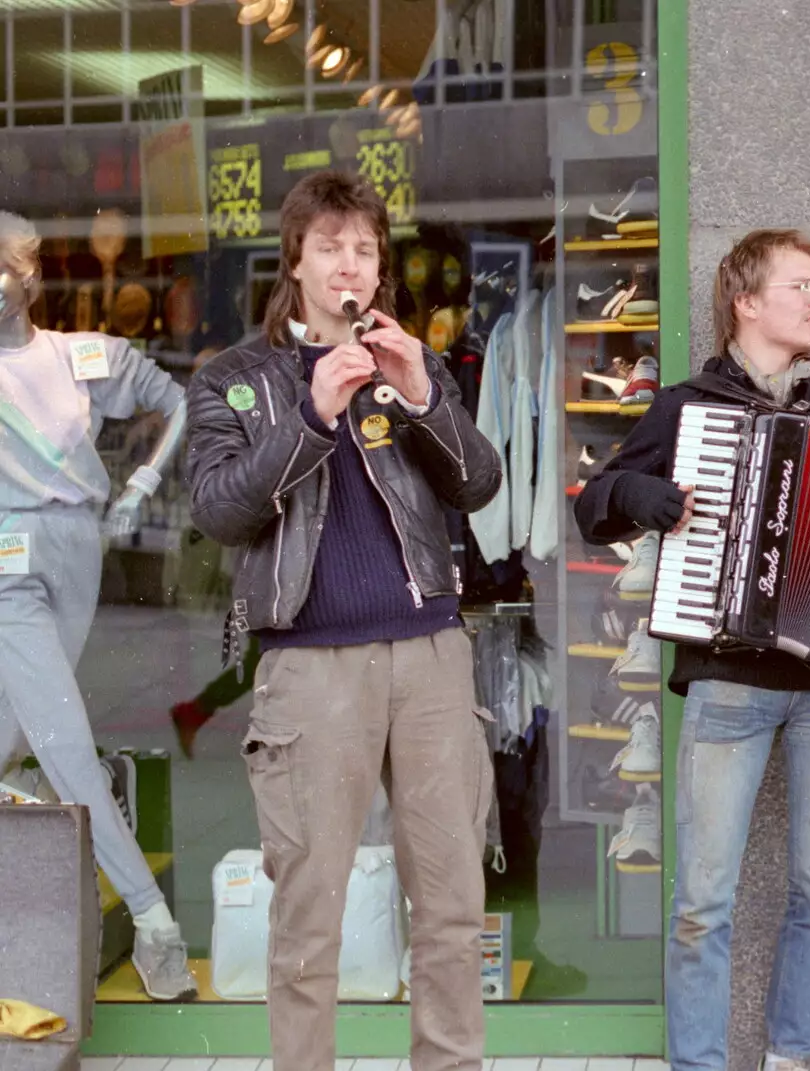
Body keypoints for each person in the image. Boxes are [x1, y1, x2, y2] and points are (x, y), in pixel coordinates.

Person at [574, 228, 810, 1071]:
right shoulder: (687, 407)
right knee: (701, 902)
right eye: (802, 284)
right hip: (727, 683)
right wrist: (646, 491)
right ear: (747, 302)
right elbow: (595, 504)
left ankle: (791, 1057)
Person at [184, 171, 503, 1071]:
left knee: (448, 902)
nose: (349, 264)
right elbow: (219, 510)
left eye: (365, 248)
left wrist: (424, 399)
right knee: (308, 911)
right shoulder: (235, 382)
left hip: (431, 656)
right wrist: (312, 413)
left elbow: (478, 483)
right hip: (312, 668)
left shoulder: (411, 361)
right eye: (330, 247)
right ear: (297, 261)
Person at [0, 210, 199, 1001]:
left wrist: (145, 482)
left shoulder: (81, 356)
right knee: (62, 740)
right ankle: (156, 926)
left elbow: (183, 401)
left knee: (26, 735)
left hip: (80, 549)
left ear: (30, 274)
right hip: (6, 559)